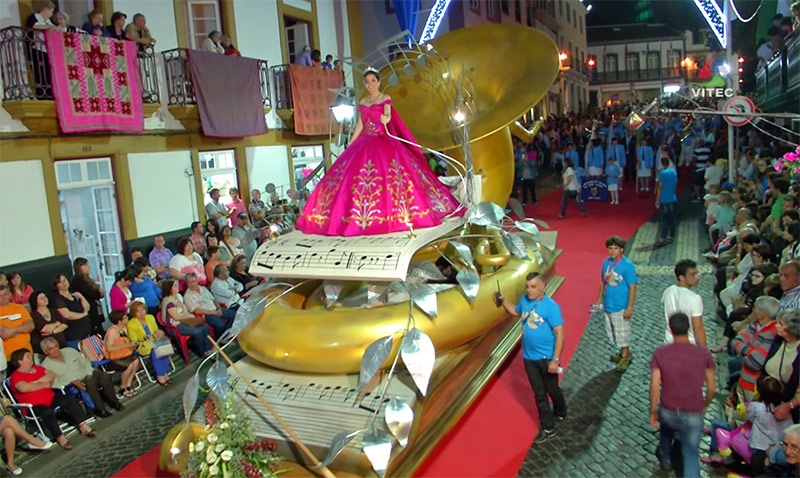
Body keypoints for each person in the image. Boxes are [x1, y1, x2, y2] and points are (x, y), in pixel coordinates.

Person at [295, 69, 462, 236]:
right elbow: (360, 125)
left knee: (390, 178)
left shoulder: (385, 98)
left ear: (378, 82)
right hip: (364, 142)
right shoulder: (363, 101)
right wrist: (351, 145)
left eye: (373, 81)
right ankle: (356, 219)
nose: (370, 84)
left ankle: (392, 216)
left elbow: (388, 115)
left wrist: (385, 119)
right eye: (367, 82)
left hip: (382, 140)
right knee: (354, 181)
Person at [498, 272, 566, 444]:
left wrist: (555, 360)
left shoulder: (551, 307)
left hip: (546, 357)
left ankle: (561, 410)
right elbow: (515, 310)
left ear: (543, 286)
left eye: (533, 287)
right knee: (539, 393)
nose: (529, 290)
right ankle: (548, 427)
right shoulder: (525, 300)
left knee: (552, 389)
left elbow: (560, 333)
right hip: (529, 357)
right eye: (527, 286)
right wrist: (504, 300)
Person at [650, 312, 716, 477]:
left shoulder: (661, 353)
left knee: (666, 432)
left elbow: (655, 385)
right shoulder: (703, 354)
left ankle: (666, 460)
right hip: (693, 410)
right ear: (688, 329)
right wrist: (705, 404)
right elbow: (712, 388)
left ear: (671, 330)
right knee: (691, 455)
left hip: (668, 409)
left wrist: (653, 411)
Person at [9, 348, 97, 450]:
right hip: (33, 405)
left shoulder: (37, 368)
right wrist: (42, 384)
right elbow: (24, 388)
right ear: (20, 361)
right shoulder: (16, 376)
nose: (31, 358)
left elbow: (51, 376)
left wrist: (34, 383)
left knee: (69, 399)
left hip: (50, 398)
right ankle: (60, 437)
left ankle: (83, 425)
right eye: (27, 356)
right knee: (47, 412)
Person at [40, 337, 124, 417]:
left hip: (86, 373)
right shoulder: (46, 366)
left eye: (56, 346)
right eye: (51, 349)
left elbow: (85, 362)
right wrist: (71, 381)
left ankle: (114, 401)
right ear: (45, 352)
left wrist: (89, 373)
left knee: (104, 376)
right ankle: (100, 409)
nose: (55, 350)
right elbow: (53, 383)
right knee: (90, 383)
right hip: (71, 383)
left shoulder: (69, 351)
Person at [595, 236, 638, 372]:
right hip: (609, 304)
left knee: (622, 332)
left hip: (621, 305)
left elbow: (632, 287)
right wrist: (599, 299)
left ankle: (625, 356)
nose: (613, 251)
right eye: (610, 248)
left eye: (616, 249)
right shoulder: (605, 263)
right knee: (613, 331)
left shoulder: (627, 265)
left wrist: (629, 307)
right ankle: (623, 352)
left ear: (621, 249)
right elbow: (603, 281)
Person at [661, 259, 707, 347]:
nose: (697, 277)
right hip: (689, 345)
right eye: (693, 275)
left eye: (697, 273)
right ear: (681, 277)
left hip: (669, 342)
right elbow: (698, 327)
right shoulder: (695, 298)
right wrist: (704, 351)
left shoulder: (667, 292)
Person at [126, 301, 172, 386]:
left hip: (155, 340)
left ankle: (164, 372)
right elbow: (134, 341)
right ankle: (160, 375)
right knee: (155, 349)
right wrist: (148, 337)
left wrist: (158, 333)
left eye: (142, 310)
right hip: (143, 345)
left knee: (164, 345)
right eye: (138, 311)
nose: (141, 313)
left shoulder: (150, 317)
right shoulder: (131, 324)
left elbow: (155, 330)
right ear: (134, 313)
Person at [103, 310, 142, 397]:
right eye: (125, 318)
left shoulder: (124, 328)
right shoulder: (113, 331)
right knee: (128, 365)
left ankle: (128, 384)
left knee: (135, 361)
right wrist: (127, 345)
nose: (127, 318)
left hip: (125, 354)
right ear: (119, 321)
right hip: (114, 358)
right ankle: (123, 386)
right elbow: (109, 348)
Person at [69, 257, 105, 335]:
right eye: (85, 265)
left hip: (96, 308)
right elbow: (92, 293)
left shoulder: (87, 279)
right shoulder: (78, 281)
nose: (88, 267)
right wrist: (98, 293)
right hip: (89, 310)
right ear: (79, 267)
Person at [0, 285, 34, 364]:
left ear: (10, 295)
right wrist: (23, 329)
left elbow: (30, 326)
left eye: (5, 294)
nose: (3, 297)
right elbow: (3, 334)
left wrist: (11, 330)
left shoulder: (20, 308)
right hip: (8, 357)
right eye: (0, 295)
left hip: (27, 353)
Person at [29, 290, 67, 355]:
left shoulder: (53, 310)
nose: (45, 299)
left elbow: (64, 324)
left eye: (45, 297)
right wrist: (57, 324)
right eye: (41, 298)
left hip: (61, 345)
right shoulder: (34, 315)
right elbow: (44, 329)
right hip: (45, 350)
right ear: (35, 301)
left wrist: (53, 331)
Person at [655, 156, 678, 246]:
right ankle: (672, 235)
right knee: (671, 218)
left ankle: (663, 237)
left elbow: (660, 187)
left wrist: (657, 199)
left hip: (664, 199)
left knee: (664, 219)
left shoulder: (663, 173)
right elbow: (675, 183)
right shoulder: (673, 172)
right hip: (672, 197)